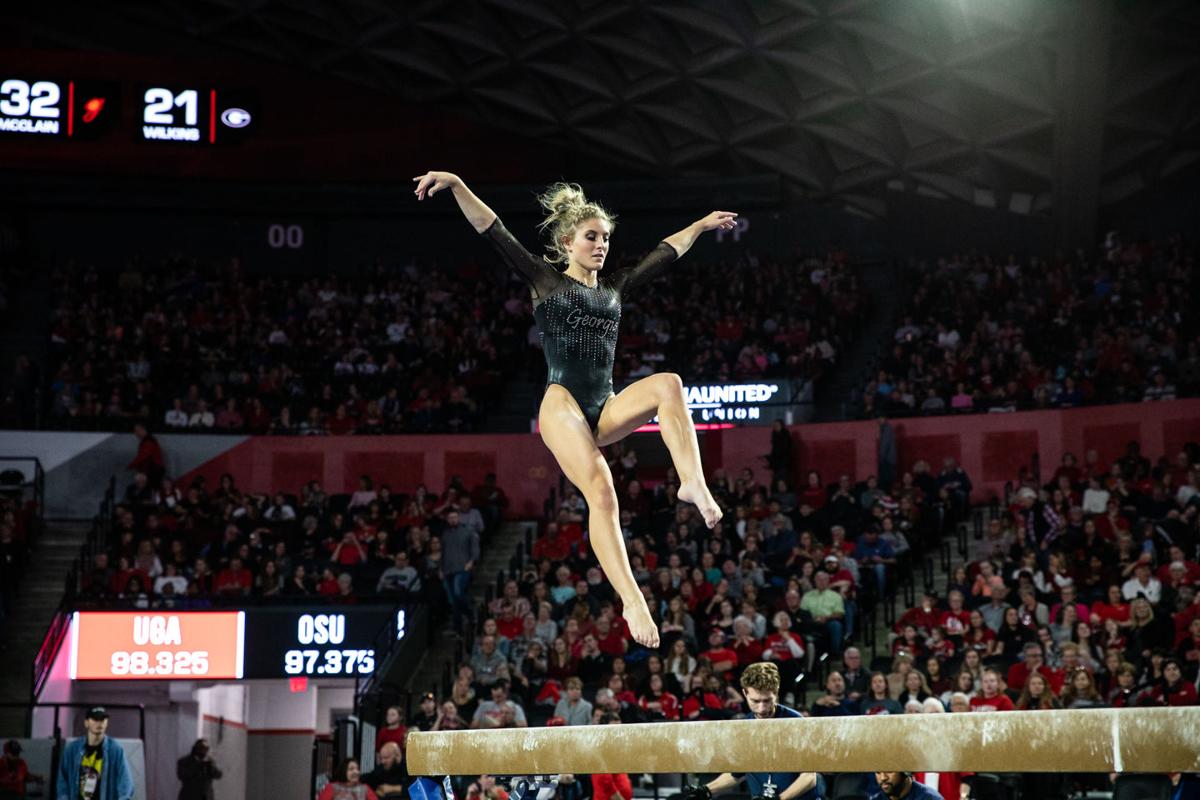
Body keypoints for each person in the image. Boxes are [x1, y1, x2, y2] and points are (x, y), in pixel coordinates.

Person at [415, 171, 736, 645]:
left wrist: (701, 225)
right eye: (591, 237)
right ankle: (632, 600)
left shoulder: (616, 288)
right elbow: (493, 229)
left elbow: (666, 252)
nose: (601, 245)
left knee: (669, 384)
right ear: (568, 242)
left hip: (604, 405)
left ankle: (693, 483)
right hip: (561, 403)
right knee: (602, 489)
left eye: (605, 238)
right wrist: (459, 184)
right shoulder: (545, 280)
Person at [681, 662, 823, 800]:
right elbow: (737, 774)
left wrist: (780, 798)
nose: (761, 708)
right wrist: (706, 790)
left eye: (767, 701)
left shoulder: (795, 722)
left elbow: (809, 777)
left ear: (776, 691)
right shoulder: (745, 727)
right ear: (745, 693)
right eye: (755, 701)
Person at [56, 706, 134, 800]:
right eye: (95, 719)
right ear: (86, 723)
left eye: (103, 719)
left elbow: (126, 785)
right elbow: (62, 784)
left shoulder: (115, 750)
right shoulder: (73, 750)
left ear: (107, 722)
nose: (100, 723)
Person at [590, 712, 633, 800]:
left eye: (620, 729)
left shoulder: (617, 748)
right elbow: (605, 782)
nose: (618, 733)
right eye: (614, 730)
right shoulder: (602, 748)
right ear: (604, 730)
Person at [870, 772, 943, 800]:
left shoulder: (931, 798)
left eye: (889, 771)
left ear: (907, 772)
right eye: (878, 772)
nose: (883, 778)